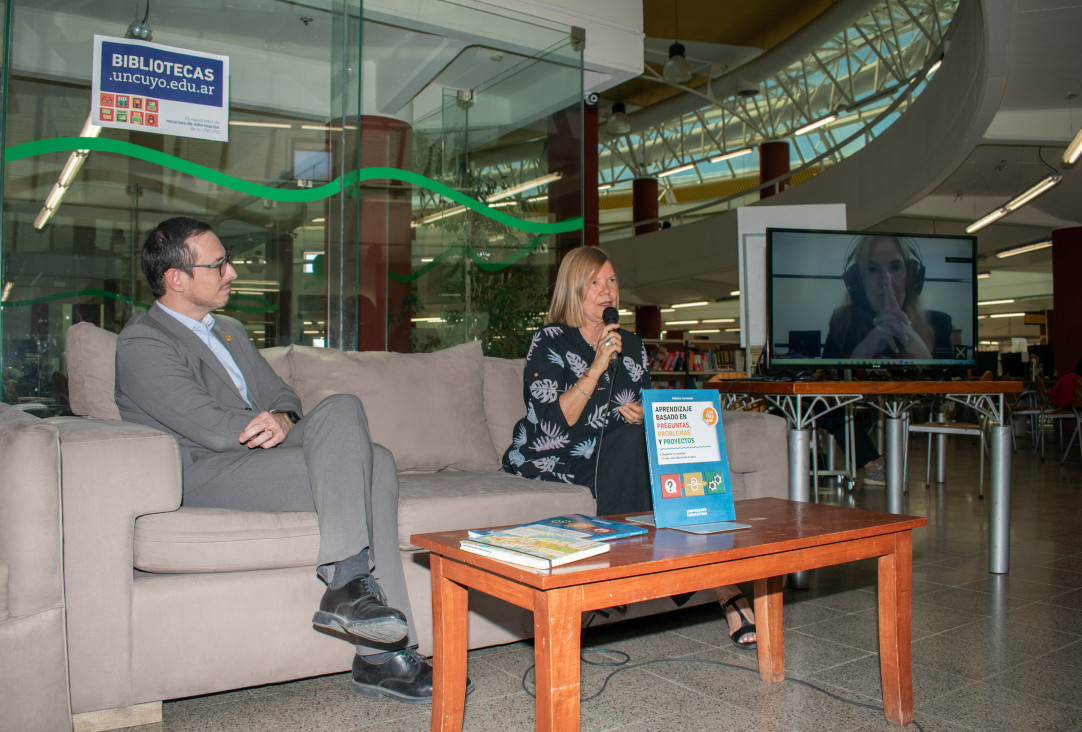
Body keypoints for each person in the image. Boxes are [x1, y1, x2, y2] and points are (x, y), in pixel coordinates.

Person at [114, 217, 450, 703]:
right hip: (209, 472)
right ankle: (382, 652)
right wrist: (262, 421)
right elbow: (208, 424)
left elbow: (282, 394)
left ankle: (351, 595)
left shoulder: (227, 330)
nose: (231, 273)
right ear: (176, 279)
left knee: (347, 414)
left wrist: (284, 418)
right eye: (219, 264)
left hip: (258, 453)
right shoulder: (143, 341)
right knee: (370, 462)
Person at [501, 246, 756, 648]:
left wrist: (643, 413)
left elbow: (641, 408)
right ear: (574, 289)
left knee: (667, 446)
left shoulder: (633, 345)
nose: (607, 291)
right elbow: (553, 418)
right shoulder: (550, 339)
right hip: (553, 455)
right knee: (630, 449)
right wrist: (597, 365)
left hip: (617, 450)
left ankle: (673, 576)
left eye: (612, 280)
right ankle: (724, 589)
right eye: (595, 282)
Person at [823, 235, 953, 361]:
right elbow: (824, 380)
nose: (886, 281)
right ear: (859, 281)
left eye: (895, 267)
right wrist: (863, 352)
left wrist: (920, 351)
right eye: (873, 269)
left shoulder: (939, 323)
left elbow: (954, 381)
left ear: (911, 277)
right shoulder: (841, 323)